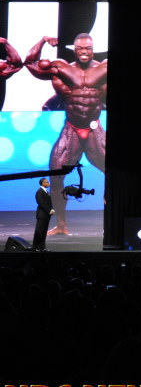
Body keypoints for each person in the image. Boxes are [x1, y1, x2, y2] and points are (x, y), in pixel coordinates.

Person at [24, 33, 107, 236]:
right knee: (55, 175)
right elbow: (30, 64)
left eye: (88, 48)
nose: (84, 51)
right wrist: (43, 41)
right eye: (80, 48)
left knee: (114, 172)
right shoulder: (62, 68)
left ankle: (111, 222)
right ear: (74, 50)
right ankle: (61, 225)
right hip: (72, 128)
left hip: (94, 128)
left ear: (93, 49)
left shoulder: (104, 68)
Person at [32, 178, 54, 252]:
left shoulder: (46, 192)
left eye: (48, 182)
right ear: (42, 183)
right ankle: (35, 247)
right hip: (42, 214)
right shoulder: (39, 192)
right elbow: (41, 203)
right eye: (46, 182)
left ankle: (42, 247)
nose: (48, 183)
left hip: (46, 215)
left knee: (44, 232)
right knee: (39, 231)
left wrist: (52, 209)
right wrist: (49, 210)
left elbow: (49, 202)